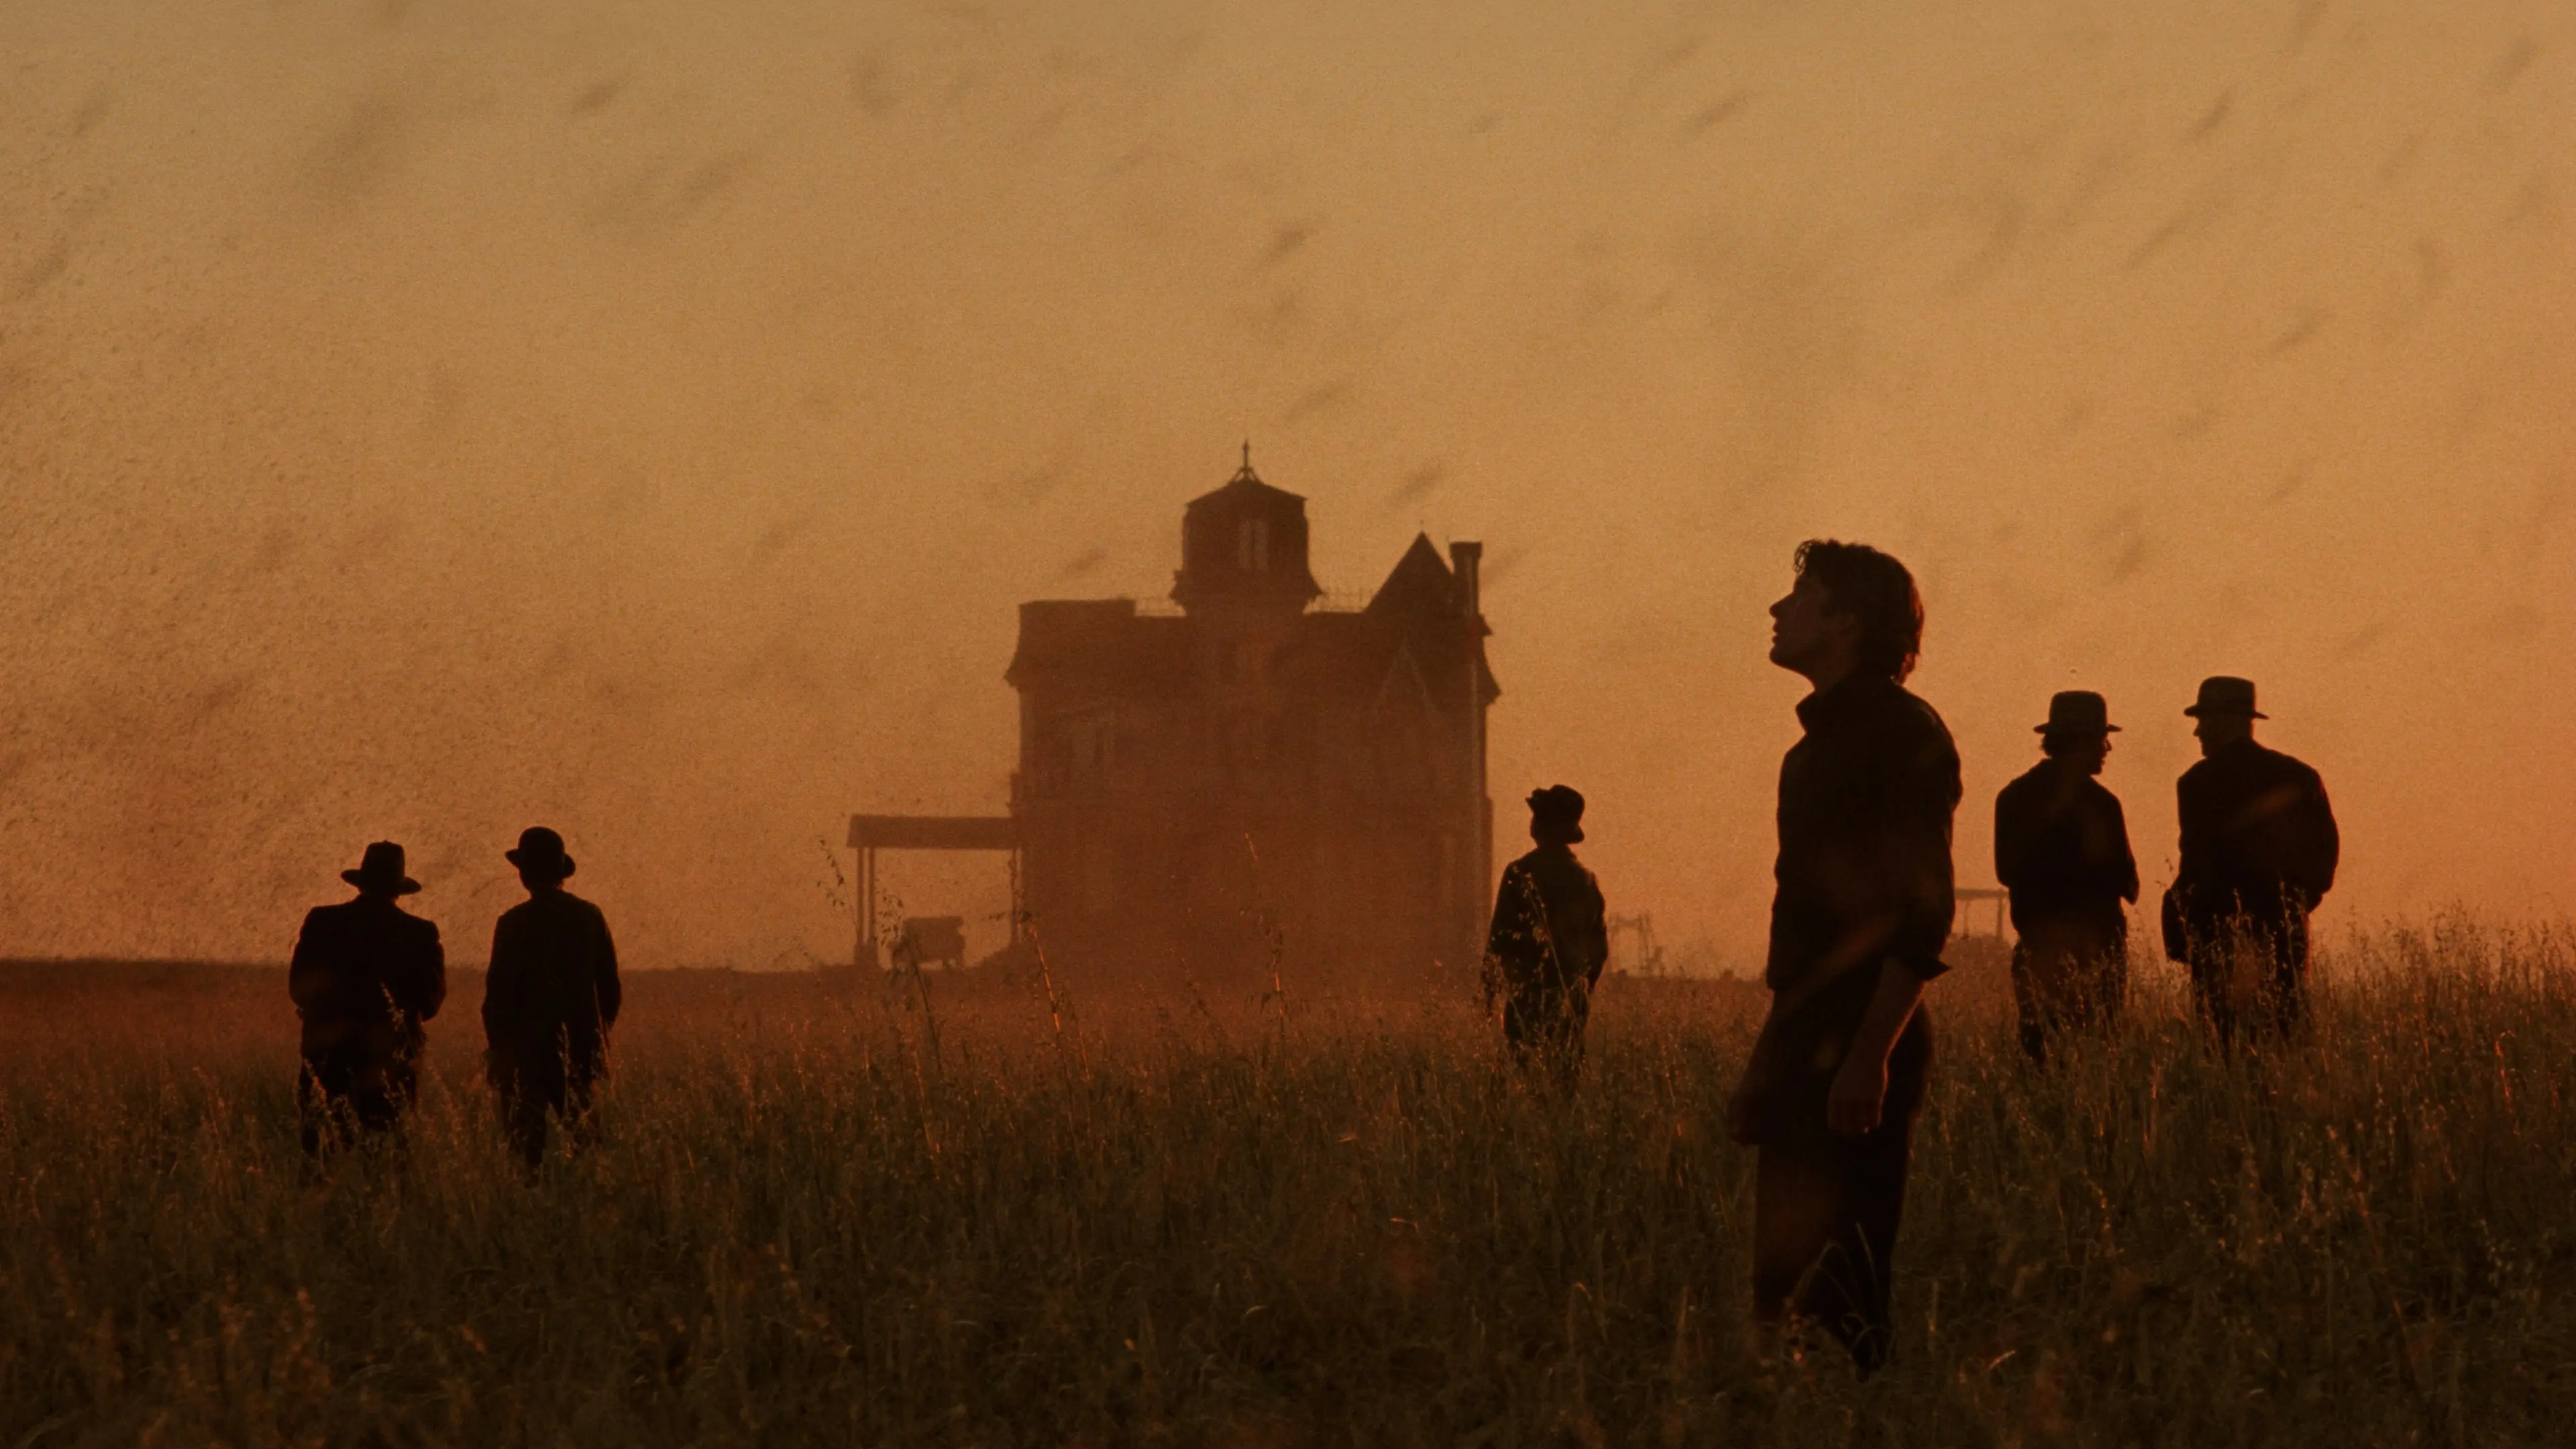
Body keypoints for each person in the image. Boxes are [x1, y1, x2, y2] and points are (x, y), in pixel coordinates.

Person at [1726, 539, 1958, 1377]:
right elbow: (1806, 937)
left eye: (1802, 595)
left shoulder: (1902, 734)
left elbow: (1920, 912)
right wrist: (1767, 1062)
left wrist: (1869, 1057)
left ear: (1849, 622)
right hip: (1806, 1032)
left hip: (1866, 1030)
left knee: (1849, 1288)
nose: (1778, 611)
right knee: (1779, 1289)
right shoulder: (1808, 752)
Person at [2161, 676, 2339, 1042]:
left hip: (2218, 935)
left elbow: (2196, 865)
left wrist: (2187, 922)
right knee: (2284, 1034)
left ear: (2227, 721)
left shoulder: (2197, 783)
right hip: (2285, 933)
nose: (2197, 732)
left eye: (2204, 720)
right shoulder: (2300, 777)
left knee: (2224, 1042)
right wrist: (2295, 905)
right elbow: (2324, 856)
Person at [1994, 691, 2139, 1064]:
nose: (2105, 750)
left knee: (2039, 1059)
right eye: (2100, 740)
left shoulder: (2012, 798)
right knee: (2095, 1062)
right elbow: (2128, 883)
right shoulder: (2102, 804)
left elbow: (2006, 871)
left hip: (2037, 953)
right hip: (2097, 958)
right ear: (2080, 741)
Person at [288, 841, 445, 1159]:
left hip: (328, 1055)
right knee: (385, 1155)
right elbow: (430, 999)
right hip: (390, 1061)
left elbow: (299, 986)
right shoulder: (420, 933)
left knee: (321, 1154)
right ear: (398, 887)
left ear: (362, 880)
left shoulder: (323, 922)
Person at [482, 827, 622, 1169]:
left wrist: (500, 1051)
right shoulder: (589, 917)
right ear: (561, 873)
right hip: (580, 1051)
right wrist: (595, 1038)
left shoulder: (513, 923)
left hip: (525, 1055)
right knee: (588, 1148)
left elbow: (498, 997)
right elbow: (610, 990)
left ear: (524, 873)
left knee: (524, 1155)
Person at [1482, 784, 1609, 1087]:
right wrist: (1583, 989)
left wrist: (1488, 990)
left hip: (1527, 997)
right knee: (1565, 1080)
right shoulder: (1586, 880)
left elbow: (1500, 936)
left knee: (1523, 1077)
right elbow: (1599, 949)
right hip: (1570, 998)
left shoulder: (1519, 873)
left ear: (1542, 826)